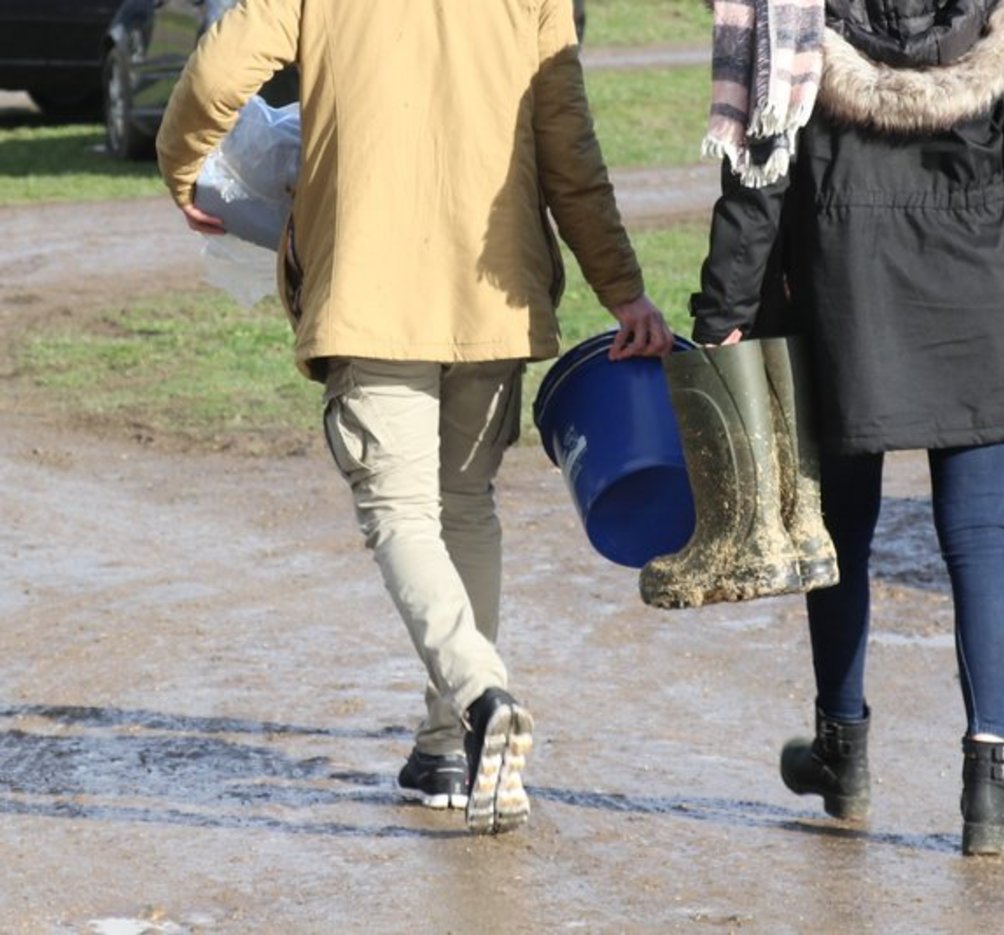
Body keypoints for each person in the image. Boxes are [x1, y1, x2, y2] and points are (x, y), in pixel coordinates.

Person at [155, 0, 672, 835]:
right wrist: (621, 287)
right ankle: (445, 746)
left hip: (369, 281)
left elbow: (217, 72)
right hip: (494, 284)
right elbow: (567, 144)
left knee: (399, 509)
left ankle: (477, 695)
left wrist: (184, 168)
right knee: (465, 504)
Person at [687, 0, 1004, 855]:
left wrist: (723, 314)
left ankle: (842, 752)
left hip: (842, 302)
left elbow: (758, 181)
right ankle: (988, 785)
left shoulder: (787, 22)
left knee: (843, 534)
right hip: (978, 297)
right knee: (977, 535)